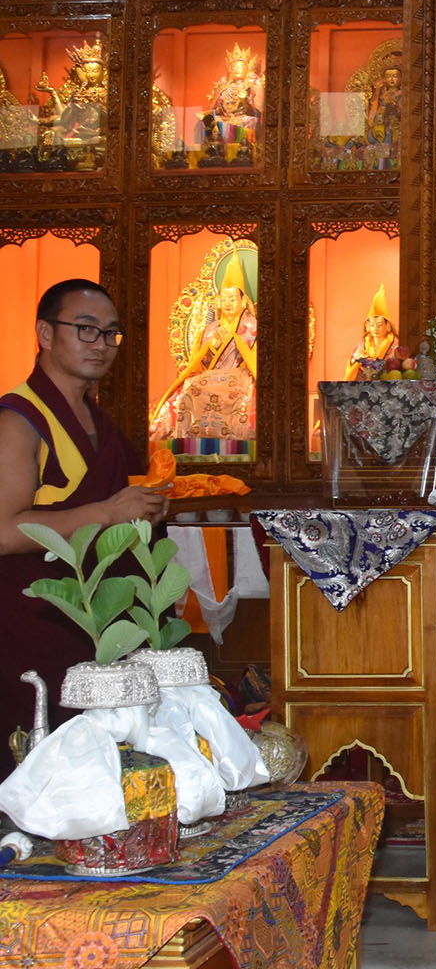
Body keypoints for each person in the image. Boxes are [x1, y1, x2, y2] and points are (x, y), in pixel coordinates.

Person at [0, 279, 169, 778]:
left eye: (111, 333)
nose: (101, 344)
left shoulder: (97, 422)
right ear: (45, 334)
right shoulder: (19, 419)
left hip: (96, 617)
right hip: (36, 618)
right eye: (86, 329)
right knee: (43, 760)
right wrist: (109, 513)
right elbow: (3, 531)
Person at [150, 249, 258, 442]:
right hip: (210, 379)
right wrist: (211, 347)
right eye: (223, 299)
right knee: (185, 395)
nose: (227, 303)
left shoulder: (252, 327)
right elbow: (198, 366)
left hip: (241, 379)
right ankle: (182, 442)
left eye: (232, 298)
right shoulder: (210, 329)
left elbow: (256, 363)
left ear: (243, 301)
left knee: (245, 401)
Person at [344, 285, 399, 379]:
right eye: (372, 325)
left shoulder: (395, 343)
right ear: (367, 326)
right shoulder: (365, 343)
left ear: (387, 326)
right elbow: (354, 360)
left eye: (379, 325)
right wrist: (360, 361)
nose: (375, 328)